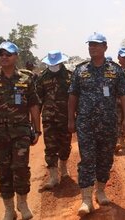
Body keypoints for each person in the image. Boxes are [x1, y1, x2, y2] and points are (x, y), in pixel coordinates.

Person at [0, 41, 41, 220]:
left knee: (20, 169)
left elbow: (34, 104)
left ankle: (23, 203)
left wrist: (37, 129)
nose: (4, 57)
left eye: (8, 54)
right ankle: (9, 209)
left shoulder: (26, 79)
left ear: (16, 57)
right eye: (1, 54)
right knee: (4, 171)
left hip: (21, 133)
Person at [68, 33, 125, 216]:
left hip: (108, 123)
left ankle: (101, 190)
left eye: (96, 45)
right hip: (85, 123)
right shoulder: (80, 71)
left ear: (105, 47)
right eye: (90, 45)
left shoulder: (115, 70)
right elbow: (73, 95)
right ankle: (86, 199)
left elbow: (124, 94)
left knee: (105, 159)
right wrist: (71, 119)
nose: (92, 48)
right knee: (87, 160)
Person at [36, 50, 72, 189]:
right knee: (50, 147)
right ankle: (53, 177)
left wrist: (75, 117)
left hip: (65, 118)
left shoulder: (69, 77)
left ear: (61, 62)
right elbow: (38, 100)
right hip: (49, 118)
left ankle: (63, 167)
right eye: (51, 63)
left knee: (65, 145)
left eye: (56, 63)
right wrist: (35, 122)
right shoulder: (42, 78)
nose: (54, 65)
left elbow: (75, 98)